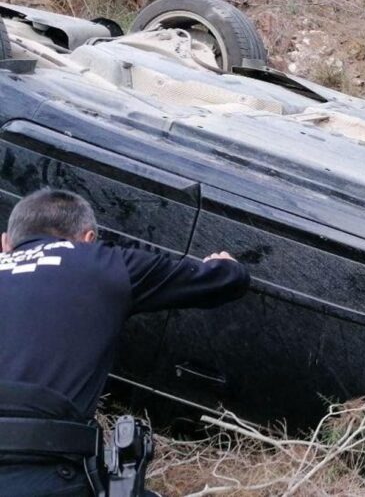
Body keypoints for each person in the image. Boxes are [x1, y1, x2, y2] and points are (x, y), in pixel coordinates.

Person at [0, 189, 251, 496]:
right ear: (88, 238)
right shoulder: (104, 263)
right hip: (43, 472)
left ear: (5, 243)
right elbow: (225, 281)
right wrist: (225, 264)